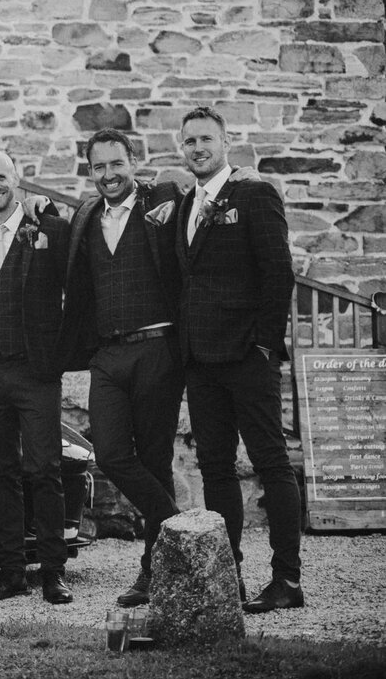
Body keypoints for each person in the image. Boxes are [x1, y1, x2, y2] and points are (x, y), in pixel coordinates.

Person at [175, 106, 301, 613]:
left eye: (207, 139)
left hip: (248, 355)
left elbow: (279, 273)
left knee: (271, 461)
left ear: (226, 142)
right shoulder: (185, 202)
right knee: (215, 468)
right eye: (190, 141)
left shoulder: (254, 193)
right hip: (200, 359)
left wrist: (266, 345)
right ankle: (229, 580)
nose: (198, 148)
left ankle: (287, 580)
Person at [61, 128, 184, 608]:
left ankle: (153, 573)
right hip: (108, 355)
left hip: (157, 349)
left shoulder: (163, 202)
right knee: (109, 454)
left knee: (155, 461)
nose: (108, 175)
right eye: (98, 167)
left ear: (133, 163)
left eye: (116, 164)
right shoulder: (86, 216)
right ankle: (180, 526)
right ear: (89, 171)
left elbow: (184, 194)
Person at [0, 151, 73, 605]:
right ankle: (11, 571)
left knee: (44, 469)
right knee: (0, 473)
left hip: (35, 369)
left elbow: (77, 258)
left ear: (18, 179)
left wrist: (49, 210)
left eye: (1, 177)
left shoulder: (47, 229)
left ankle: (52, 572)